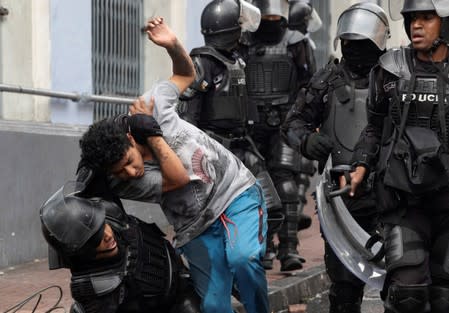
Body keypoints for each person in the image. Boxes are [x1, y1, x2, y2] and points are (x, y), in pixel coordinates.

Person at [79, 16, 269, 313]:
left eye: (128, 162)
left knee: (243, 259)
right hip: (194, 225)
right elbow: (179, 178)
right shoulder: (129, 178)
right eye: (119, 172)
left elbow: (185, 74)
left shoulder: (151, 103)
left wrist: (172, 45)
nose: (131, 172)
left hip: (234, 193)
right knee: (213, 306)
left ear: (129, 137)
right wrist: (152, 132)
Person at [282, 3, 390, 312]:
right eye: (349, 44)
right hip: (341, 198)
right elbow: (292, 123)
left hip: (390, 193)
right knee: (344, 289)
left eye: (362, 44)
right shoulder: (327, 79)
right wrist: (307, 140)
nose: (354, 51)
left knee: (401, 287)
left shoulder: (394, 76)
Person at [348, 0, 449, 312]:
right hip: (404, 200)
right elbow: (374, 128)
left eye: (426, 18)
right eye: (412, 19)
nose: (416, 25)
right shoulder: (390, 68)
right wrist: (361, 164)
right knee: (407, 294)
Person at [177, 0, 285, 271]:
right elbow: (187, 116)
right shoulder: (202, 63)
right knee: (215, 219)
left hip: (243, 146)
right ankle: (226, 268)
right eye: (237, 24)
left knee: (272, 208)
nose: (242, 29)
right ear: (226, 28)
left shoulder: (236, 59)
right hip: (215, 152)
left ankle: (256, 252)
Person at [238, 0, 319, 271]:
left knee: (285, 181)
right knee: (255, 185)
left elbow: (310, 83)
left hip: (285, 121)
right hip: (251, 124)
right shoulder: (244, 40)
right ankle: (264, 247)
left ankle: (288, 249)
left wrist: (305, 119)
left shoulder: (296, 41)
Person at [40, 180, 201, 313]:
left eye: (102, 226)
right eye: (96, 239)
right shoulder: (96, 292)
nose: (108, 235)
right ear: (81, 253)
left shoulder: (110, 213)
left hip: (181, 277)